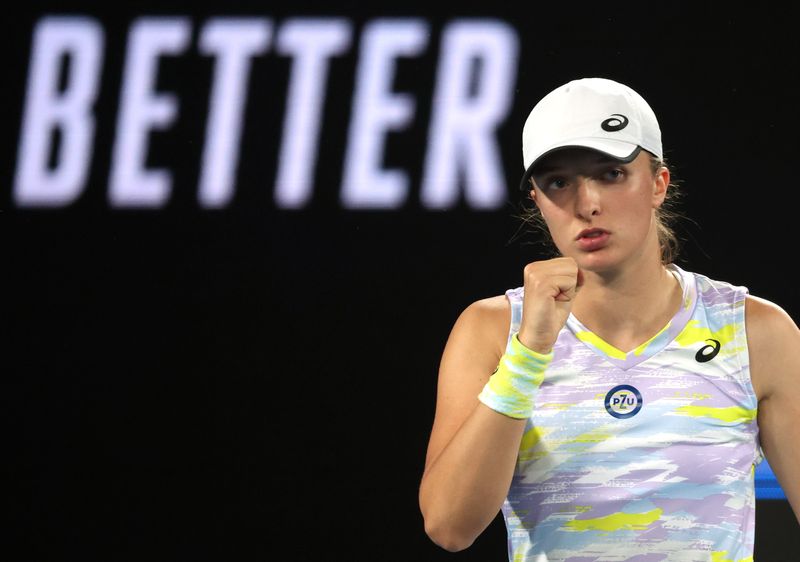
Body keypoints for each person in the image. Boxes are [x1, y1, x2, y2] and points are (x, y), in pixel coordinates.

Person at [418, 77, 800, 561]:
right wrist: (529, 352)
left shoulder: (755, 331)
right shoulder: (492, 331)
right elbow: (450, 526)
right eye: (558, 182)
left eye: (611, 174)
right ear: (537, 201)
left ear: (658, 183)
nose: (586, 204)